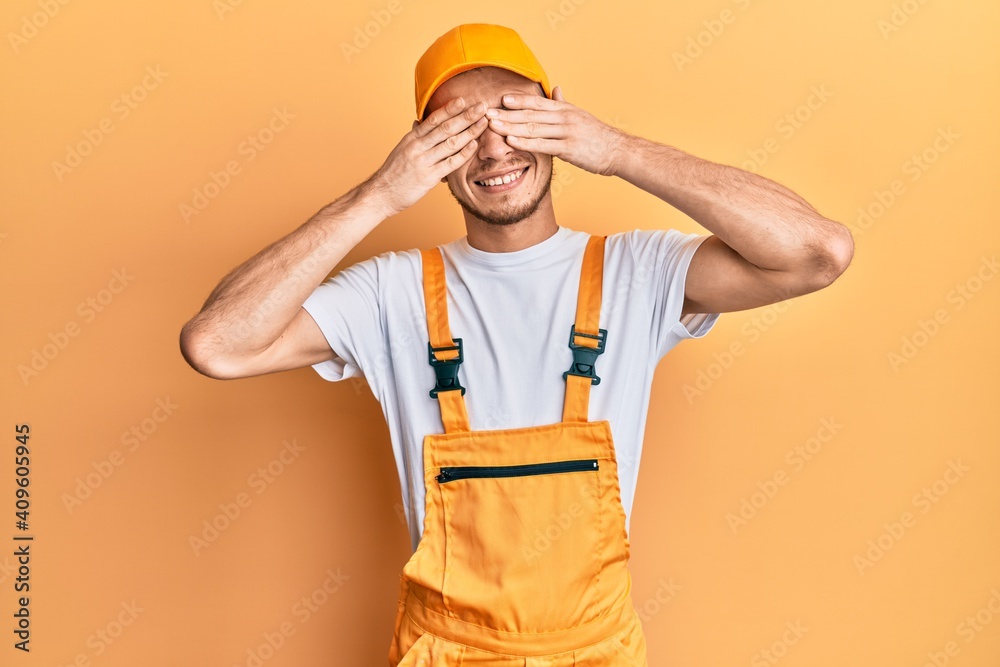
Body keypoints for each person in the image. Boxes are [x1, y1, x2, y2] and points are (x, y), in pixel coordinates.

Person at [179, 23, 853, 667]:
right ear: (424, 151)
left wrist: (616, 150)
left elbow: (816, 252)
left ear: (559, 121)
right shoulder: (392, 294)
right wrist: (378, 195)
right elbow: (216, 344)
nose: (496, 150)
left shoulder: (637, 273)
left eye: (516, 118)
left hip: (599, 649)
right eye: (461, 131)